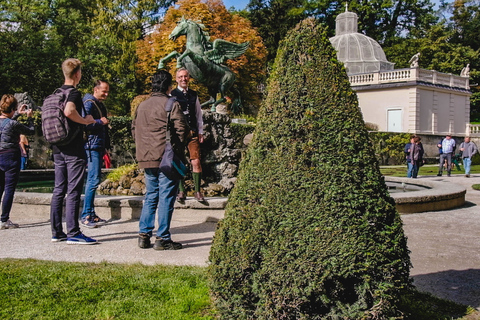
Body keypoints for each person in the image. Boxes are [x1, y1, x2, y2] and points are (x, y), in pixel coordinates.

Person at [132, 70, 188, 250]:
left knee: (151, 195)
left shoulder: (142, 106)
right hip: (165, 158)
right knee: (166, 197)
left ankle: (144, 235)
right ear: (169, 86)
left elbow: (134, 130)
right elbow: (182, 131)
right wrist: (176, 152)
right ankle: (162, 238)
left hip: (146, 157)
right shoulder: (171, 103)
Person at [49, 58, 97, 244]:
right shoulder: (74, 93)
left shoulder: (55, 93)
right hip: (73, 146)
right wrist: (86, 121)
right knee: (74, 189)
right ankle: (73, 233)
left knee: (59, 188)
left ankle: (56, 232)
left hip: (57, 145)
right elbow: (69, 111)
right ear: (77, 74)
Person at [170, 68, 205, 202]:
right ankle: (181, 191)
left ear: (188, 78)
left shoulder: (193, 94)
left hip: (192, 132)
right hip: (177, 134)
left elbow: (198, 114)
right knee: (178, 161)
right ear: (176, 79)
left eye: (185, 77)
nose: (183, 79)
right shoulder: (171, 95)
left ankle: (197, 191)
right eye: (180, 77)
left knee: (196, 161)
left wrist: (200, 131)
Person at [0, 95, 34, 229]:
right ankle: (4, 219)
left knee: (0, 187)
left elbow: (5, 125)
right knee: (9, 189)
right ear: (13, 108)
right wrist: (29, 117)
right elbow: (31, 131)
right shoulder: (13, 124)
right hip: (10, 156)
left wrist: (17, 114)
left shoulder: (8, 121)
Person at [80, 80, 111, 228]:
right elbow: (85, 123)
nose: (106, 94)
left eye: (107, 91)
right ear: (96, 89)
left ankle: (91, 213)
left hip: (97, 145)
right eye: (104, 91)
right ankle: (86, 215)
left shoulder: (97, 104)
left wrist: (105, 146)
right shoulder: (88, 104)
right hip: (91, 146)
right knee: (92, 180)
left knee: (94, 179)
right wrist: (101, 122)